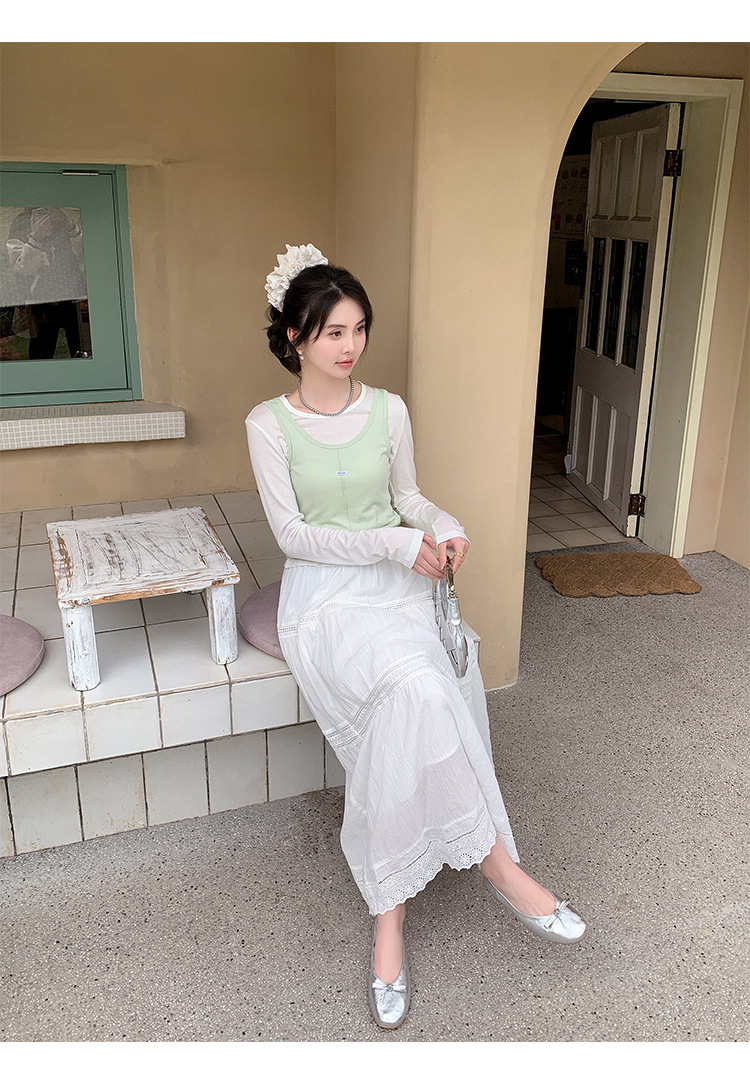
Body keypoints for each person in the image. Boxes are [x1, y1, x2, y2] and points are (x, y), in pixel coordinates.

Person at [246, 244, 586, 1030]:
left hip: (398, 585)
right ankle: (501, 870)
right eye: (333, 332)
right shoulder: (269, 425)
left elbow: (408, 497)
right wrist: (395, 545)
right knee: (415, 686)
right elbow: (294, 536)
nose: (351, 346)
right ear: (295, 337)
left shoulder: (389, 410)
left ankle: (390, 919)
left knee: (421, 691)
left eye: (359, 329)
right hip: (325, 598)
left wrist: (445, 525)